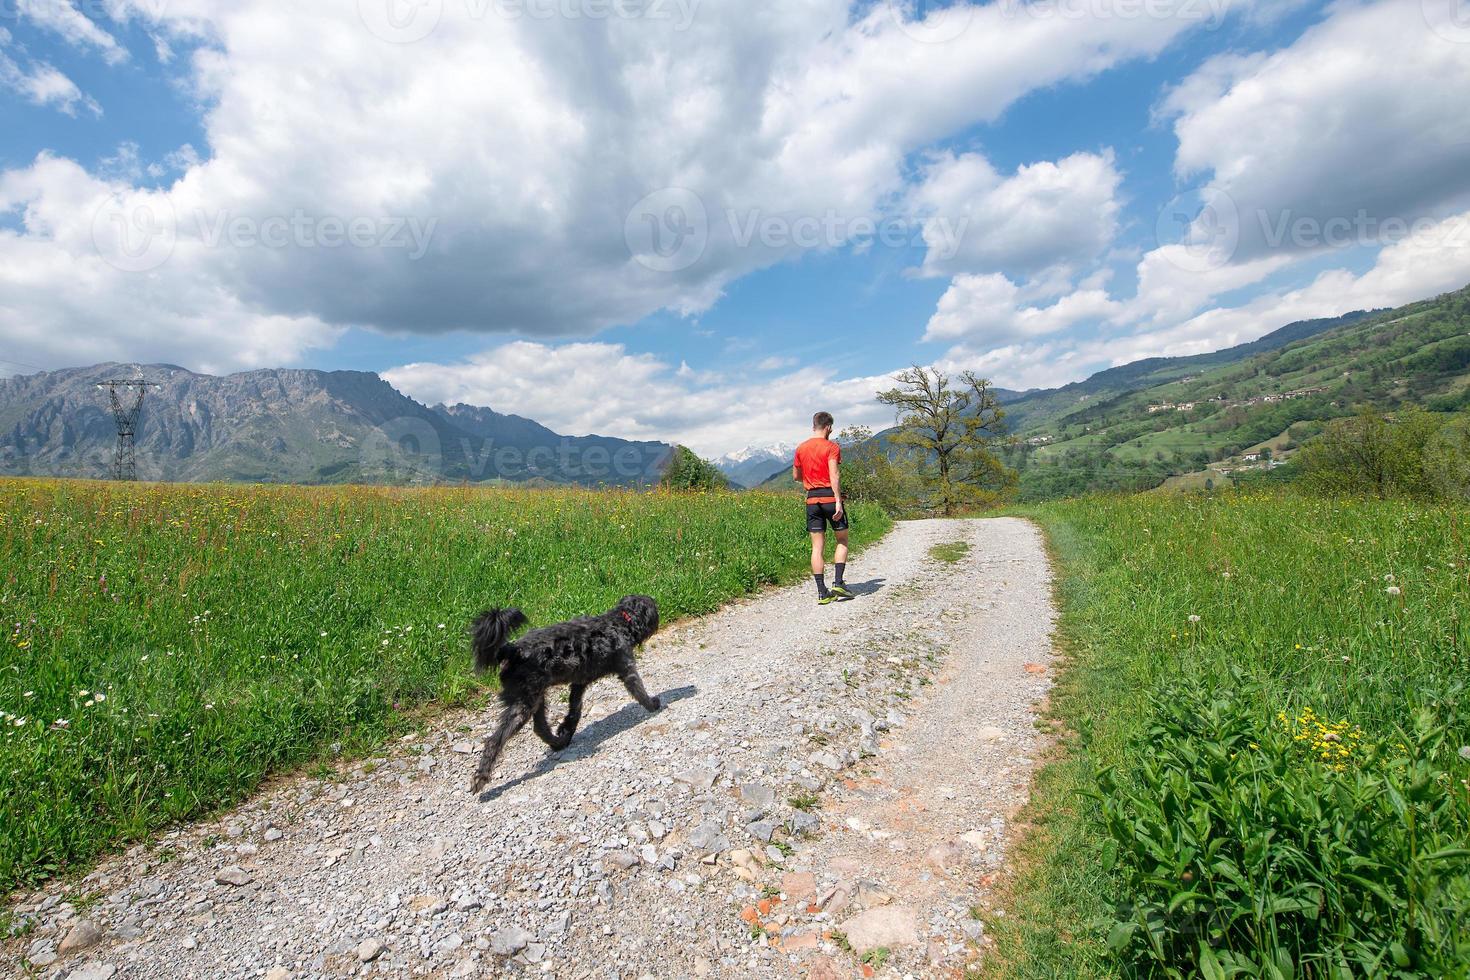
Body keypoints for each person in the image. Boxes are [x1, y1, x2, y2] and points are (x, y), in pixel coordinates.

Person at [793, 412, 854, 604]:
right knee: (842, 540)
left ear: (814, 426)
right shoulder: (831, 447)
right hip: (829, 498)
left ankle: (822, 592)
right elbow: (834, 474)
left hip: (812, 500)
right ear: (828, 427)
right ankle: (838, 582)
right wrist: (837, 500)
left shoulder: (801, 448)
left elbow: (796, 476)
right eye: (831, 428)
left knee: (817, 547)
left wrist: (812, 482)